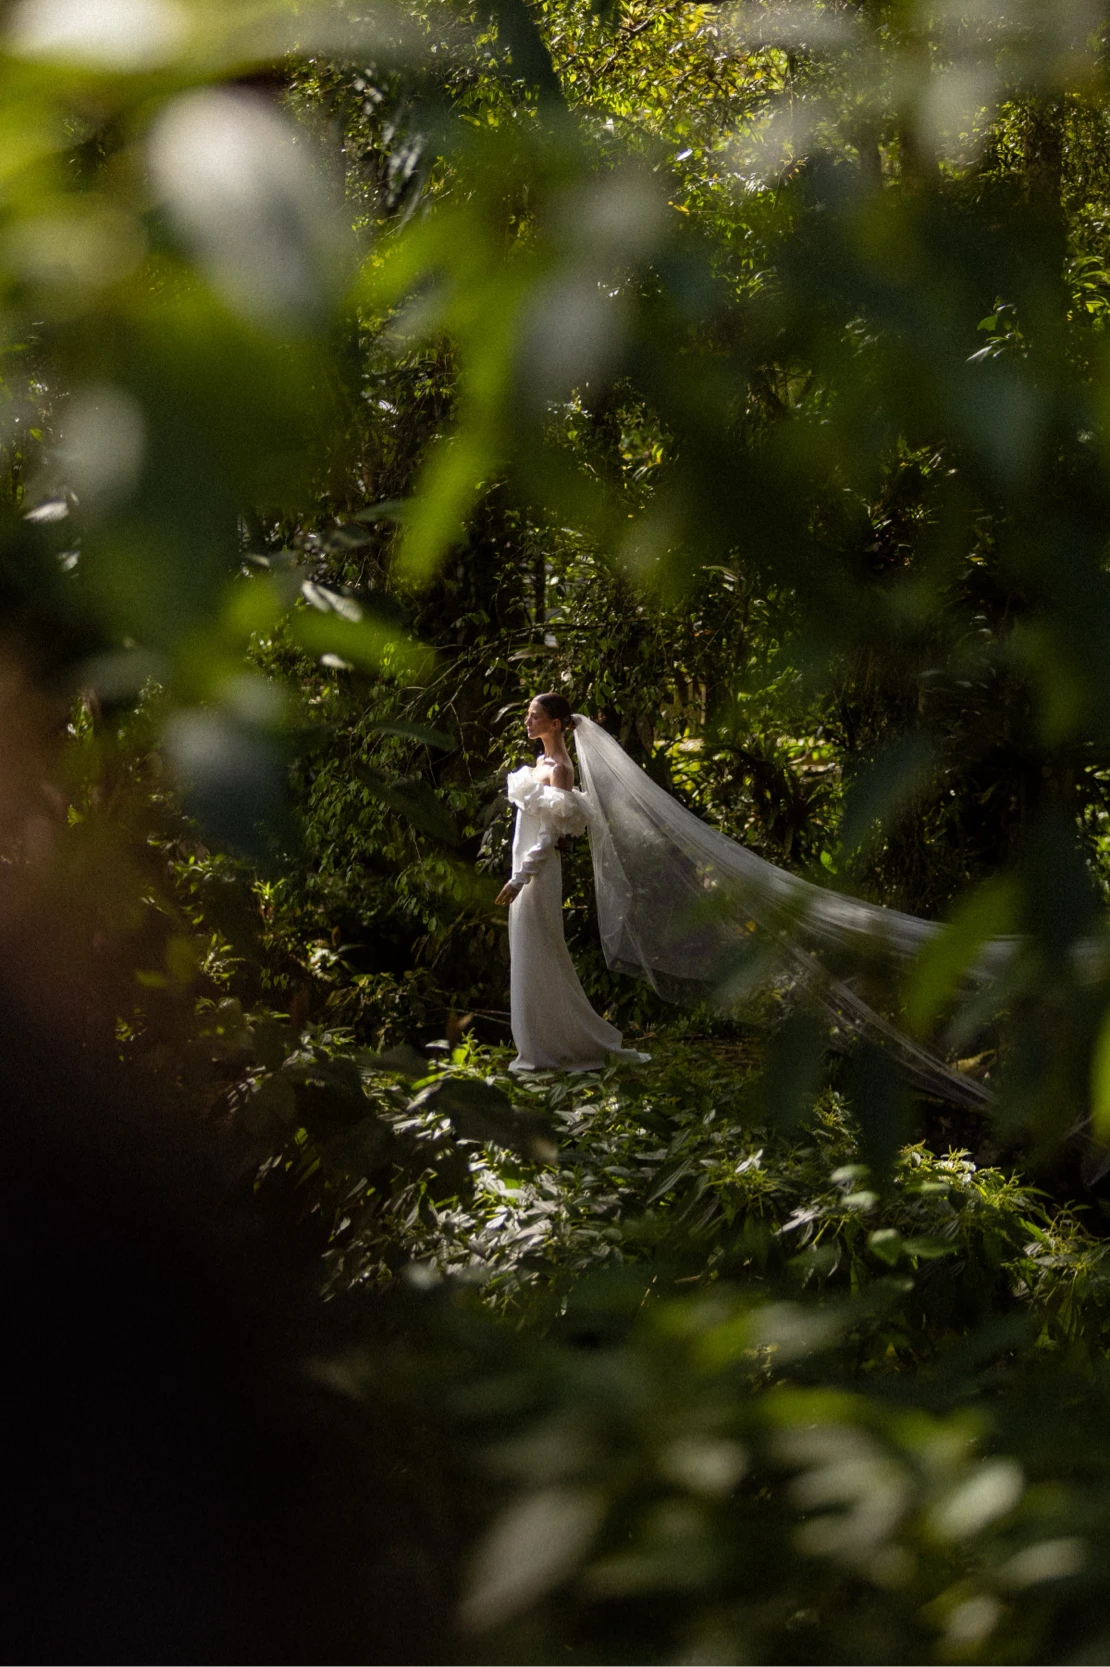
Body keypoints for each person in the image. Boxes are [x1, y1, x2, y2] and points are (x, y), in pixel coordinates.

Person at [495, 692, 649, 1072]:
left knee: (542, 950)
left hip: (537, 872)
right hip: (524, 865)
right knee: (528, 952)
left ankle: (557, 1044)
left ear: (556, 724)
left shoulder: (561, 770)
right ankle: (537, 1042)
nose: (528, 722)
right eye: (528, 715)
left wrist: (520, 878)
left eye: (535, 716)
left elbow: (549, 837)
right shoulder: (540, 762)